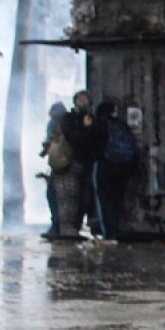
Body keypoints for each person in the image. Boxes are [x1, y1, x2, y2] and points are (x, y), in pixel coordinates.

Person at [52, 91, 98, 240]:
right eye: (80, 100)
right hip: (69, 164)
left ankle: (73, 228)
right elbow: (76, 138)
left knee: (83, 198)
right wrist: (85, 128)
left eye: (85, 100)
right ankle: (67, 229)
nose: (83, 103)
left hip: (84, 164)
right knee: (67, 198)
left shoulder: (90, 119)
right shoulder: (69, 119)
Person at [93, 100, 139, 239]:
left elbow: (95, 145)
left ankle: (108, 232)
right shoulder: (121, 125)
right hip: (123, 167)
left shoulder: (99, 125)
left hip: (106, 166)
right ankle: (116, 229)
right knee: (116, 200)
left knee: (104, 200)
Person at [39, 101, 69, 238]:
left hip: (60, 165)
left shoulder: (54, 123)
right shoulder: (69, 122)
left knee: (53, 195)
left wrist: (45, 148)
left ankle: (56, 227)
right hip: (66, 164)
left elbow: (52, 142)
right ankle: (63, 227)